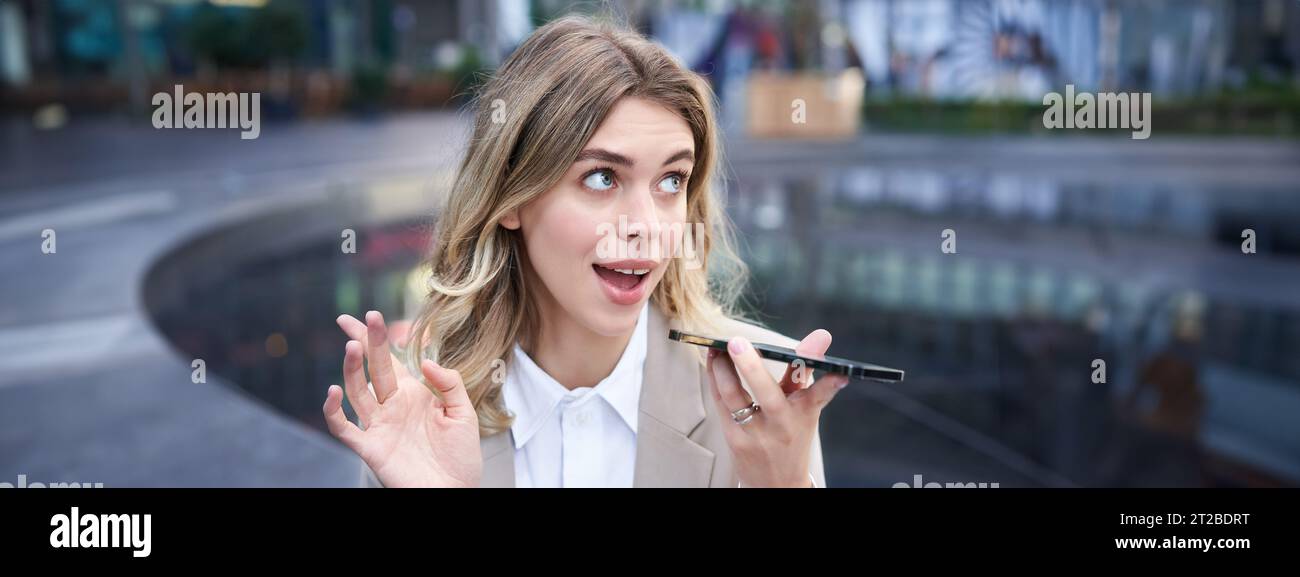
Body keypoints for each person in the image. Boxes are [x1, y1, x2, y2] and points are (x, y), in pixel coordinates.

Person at [321, 15, 850, 488]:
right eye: (601, 177)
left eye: (671, 180)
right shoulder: (416, 410)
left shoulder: (766, 401)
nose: (647, 227)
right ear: (512, 197)